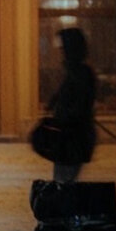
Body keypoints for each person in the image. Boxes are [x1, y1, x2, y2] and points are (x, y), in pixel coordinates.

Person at [45, 27, 97, 185]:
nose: (62, 53)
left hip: (72, 138)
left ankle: (65, 207)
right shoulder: (76, 72)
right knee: (64, 181)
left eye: (64, 49)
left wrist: (63, 116)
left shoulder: (80, 73)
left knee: (64, 182)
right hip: (70, 137)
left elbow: (79, 106)